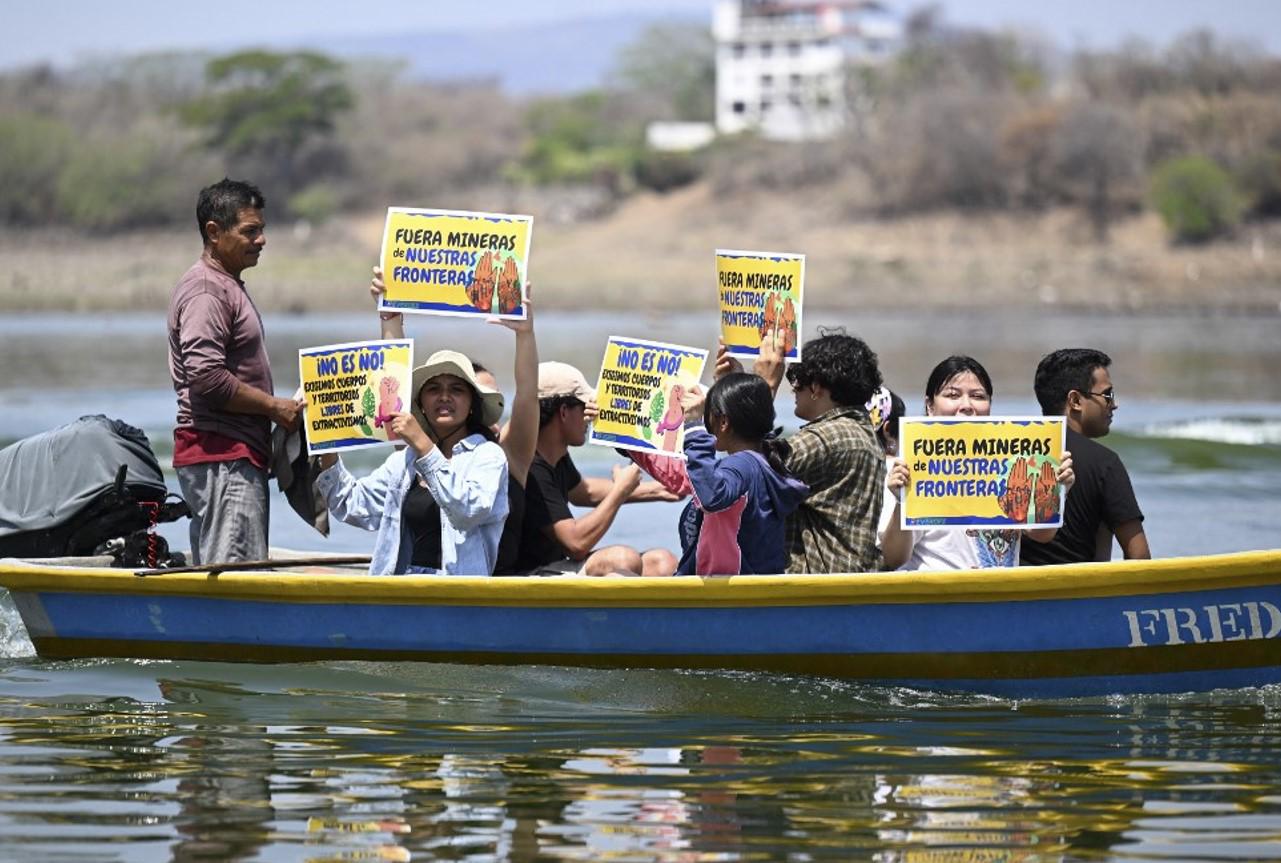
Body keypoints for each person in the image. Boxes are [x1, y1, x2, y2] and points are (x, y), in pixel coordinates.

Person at [167, 178, 303, 566]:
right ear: (214, 232)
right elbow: (206, 377)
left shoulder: (226, 285)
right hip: (222, 454)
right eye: (250, 231)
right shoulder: (207, 291)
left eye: (262, 229)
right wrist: (274, 408)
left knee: (230, 568)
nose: (261, 239)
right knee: (234, 575)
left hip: (233, 453)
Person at [370, 266, 538, 574]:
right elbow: (395, 390)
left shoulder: (504, 451)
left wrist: (525, 334)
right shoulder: (417, 452)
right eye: (438, 391)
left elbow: (527, 393)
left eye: (462, 392)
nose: (447, 399)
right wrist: (389, 317)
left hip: (492, 588)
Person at [314, 350, 509, 575]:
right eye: (434, 389)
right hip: (402, 589)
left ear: (472, 404)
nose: (444, 397)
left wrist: (424, 445)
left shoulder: (487, 455)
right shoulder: (404, 461)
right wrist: (327, 444)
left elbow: (468, 510)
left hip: (458, 594)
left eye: (456, 390)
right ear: (421, 403)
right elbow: (352, 503)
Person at [879, 356, 1075, 571]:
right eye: (952, 395)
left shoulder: (1011, 460)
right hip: (939, 600)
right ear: (929, 406)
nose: (966, 405)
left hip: (997, 599)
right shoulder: (911, 467)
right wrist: (901, 502)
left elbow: (1041, 534)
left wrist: (1056, 491)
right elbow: (893, 558)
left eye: (978, 396)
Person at [724, 327, 886, 573]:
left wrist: (763, 387)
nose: (793, 389)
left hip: (819, 593)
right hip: (839, 589)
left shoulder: (833, 436)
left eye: (797, 381)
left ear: (817, 387)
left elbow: (750, 469)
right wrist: (735, 393)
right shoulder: (857, 430)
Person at [515, 362, 679, 576]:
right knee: (622, 559)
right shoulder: (531, 468)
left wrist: (659, 490)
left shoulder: (556, 454)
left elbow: (584, 491)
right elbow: (575, 543)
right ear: (563, 412)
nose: (590, 417)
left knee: (662, 562)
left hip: (555, 567)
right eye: (584, 407)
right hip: (527, 576)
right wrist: (621, 490)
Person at [1020, 348, 1150, 565]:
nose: (1114, 404)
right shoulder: (1104, 463)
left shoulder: (1009, 452)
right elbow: (1139, 557)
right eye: (1107, 395)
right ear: (1075, 401)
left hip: (1008, 591)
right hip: (1076, 594)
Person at [669, 373, 809, 574]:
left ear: (723, 422)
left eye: (707, 415)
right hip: (750, 593)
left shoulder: (741, 465)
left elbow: (711, 497)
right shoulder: (764, 462)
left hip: (723, 596)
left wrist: (694, 428)